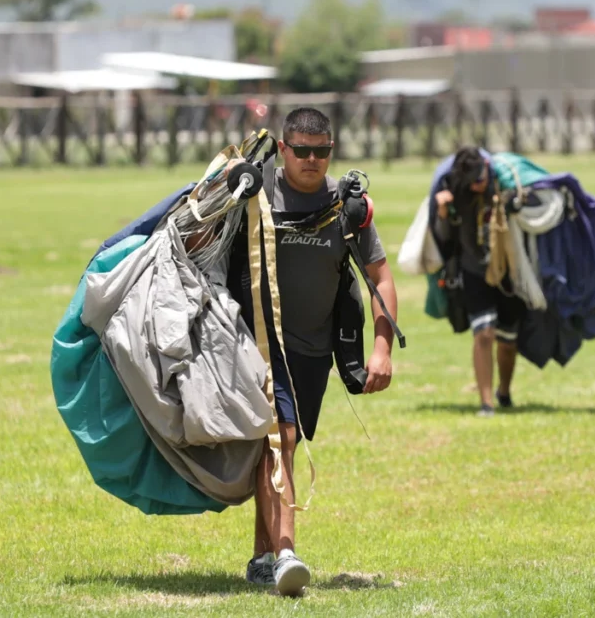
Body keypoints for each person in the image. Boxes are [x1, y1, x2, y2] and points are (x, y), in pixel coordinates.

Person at [223, 107, 398, 595]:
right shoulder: (255, 192)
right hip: (256, 341)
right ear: (282, 150)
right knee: (282, 435)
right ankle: (286, 556)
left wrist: (382, 348)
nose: (311, 160)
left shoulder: (348, 206)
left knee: (279, 446)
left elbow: (382, 277)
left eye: (321, 151)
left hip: (315, 349)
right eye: (300, 150)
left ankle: (261, 556)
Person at [431, 147, 524, 417]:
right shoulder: (456, 191)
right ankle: (486, 403)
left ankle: (503, 392)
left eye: (479, 177)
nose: (476, 184)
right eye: (471, 180)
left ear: (486, 166)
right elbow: (445, 239)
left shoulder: (503, 185)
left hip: (506, 271)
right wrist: (443, 211)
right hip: (473, 272)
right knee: (484, 333)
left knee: (508, 341)